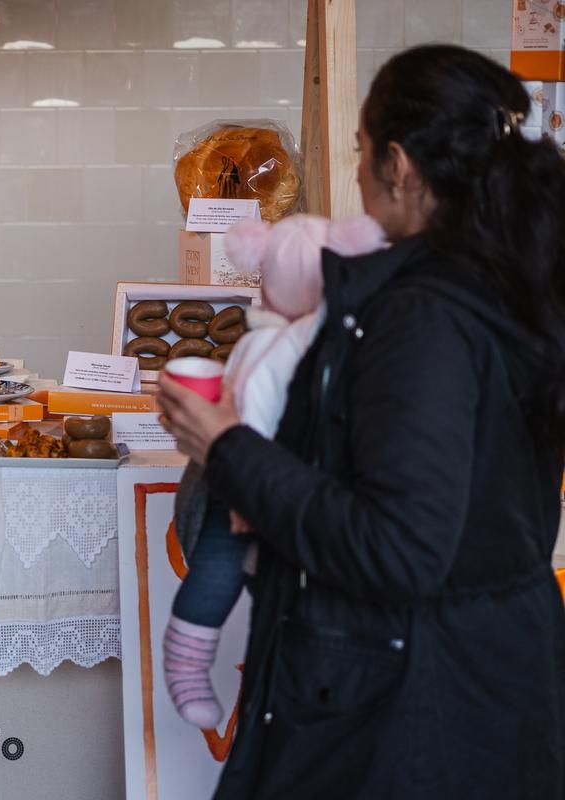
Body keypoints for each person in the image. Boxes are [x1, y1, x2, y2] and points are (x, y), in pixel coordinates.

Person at [156, 44, 565, 798]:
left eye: (360, 152)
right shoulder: (508, 284)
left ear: (400, 166)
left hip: (410, 719)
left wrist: (226, 447)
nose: (356, 172)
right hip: (477, 693)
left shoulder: (422, 318)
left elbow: (400, 547)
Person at [163, 213, 384, 729]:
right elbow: (258, 417)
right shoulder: (294, 345)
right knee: (229, 574)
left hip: (260, 485)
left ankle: (202, 663)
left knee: (238, 581)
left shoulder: (274, 339)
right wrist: (246, 492)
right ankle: (188, 662)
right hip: (251, 486)